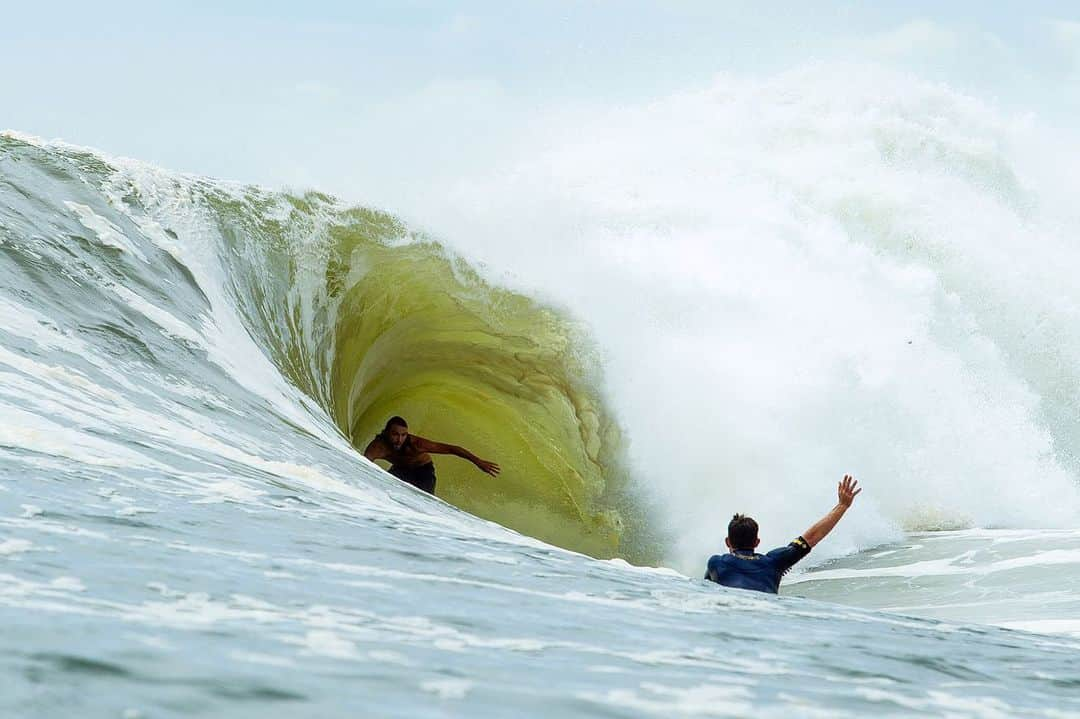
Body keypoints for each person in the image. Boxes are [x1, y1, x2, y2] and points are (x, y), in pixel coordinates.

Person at [704, 475, 861, 595]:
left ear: (727, 541)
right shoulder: (774, 562)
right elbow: (812, 537)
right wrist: (842, 506)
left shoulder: (716, 563)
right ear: (757, 541)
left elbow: (705, 590)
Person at [362, 416, 500, 495]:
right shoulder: (377, 447)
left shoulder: (416, 444)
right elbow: (363, 465)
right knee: (388, 491)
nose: (399, 439)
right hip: (400, 469)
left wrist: (478, 461)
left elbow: (452, 449)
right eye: (395, 434)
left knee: (423, 498)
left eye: (403, 435)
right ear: (386, 433)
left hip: (423, 471)